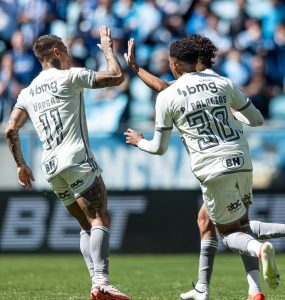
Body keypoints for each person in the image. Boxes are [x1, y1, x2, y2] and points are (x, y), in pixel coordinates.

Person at [124, 36, 281, 300]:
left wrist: (140, 142)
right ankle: (245, 290)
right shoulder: (224, 83)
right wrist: (232, 113)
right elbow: (257, 120)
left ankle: (258, 248)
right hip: (242, 163)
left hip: (212, 168)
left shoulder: (167, 97)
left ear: (174, 65)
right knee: (216, 220)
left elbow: (158, 148)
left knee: (231, 234)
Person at [5, 26, 131, 300]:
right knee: (99, 218)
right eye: (66, 50)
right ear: (56, 52)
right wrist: (109, 51)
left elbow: (10, 130)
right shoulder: (69, 77)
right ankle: (102, 282)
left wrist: (20, 164)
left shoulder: (27, 92)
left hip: (48, 166)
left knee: (86, 226)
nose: (69, 55)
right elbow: (117, 77)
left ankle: (97, 282)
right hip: (75, 158)